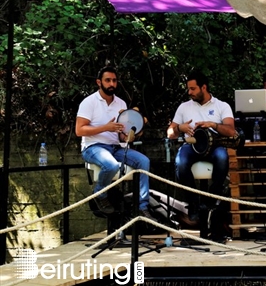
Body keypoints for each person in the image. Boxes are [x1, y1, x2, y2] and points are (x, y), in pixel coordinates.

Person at [76, 66, 155, 220]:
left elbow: (121, 135)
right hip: (93, 147)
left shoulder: (121, 104)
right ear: (99, 82)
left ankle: (143, 206)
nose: (111, 83)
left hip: (116, 147)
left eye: (114, 80)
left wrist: (129, 136)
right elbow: (79, 130)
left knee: (144, 161)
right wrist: (106, 127)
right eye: (108, 80)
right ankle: (100, 194)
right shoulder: (89, 102)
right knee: (111, 165)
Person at [166, 70, 235, 225]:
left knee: (222, 157)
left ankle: (212, 200)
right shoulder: (184, 107)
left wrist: (213, 125)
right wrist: (180, 129)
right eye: (188, 89)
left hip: (214, 146)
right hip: (191, 145)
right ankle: (194, 204)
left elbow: (231, 131)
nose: (189, 92)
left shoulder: (221, 106)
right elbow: (170, 133)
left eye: (193, 89)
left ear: (203, 87)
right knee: (181, 162)